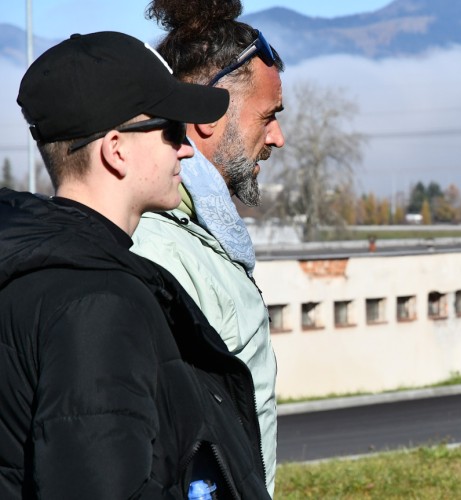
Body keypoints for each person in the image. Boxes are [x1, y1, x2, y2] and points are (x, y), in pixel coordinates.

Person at [0, 31, 269, 498]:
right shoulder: (97, 302)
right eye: (170, 130)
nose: (185, 148)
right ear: (116, 149)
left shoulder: (35, 268)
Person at [130, 2, 284, 493]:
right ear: (209, 115)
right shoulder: (157, 247)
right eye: (269, 117)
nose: (278, 137)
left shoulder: (203, 237)